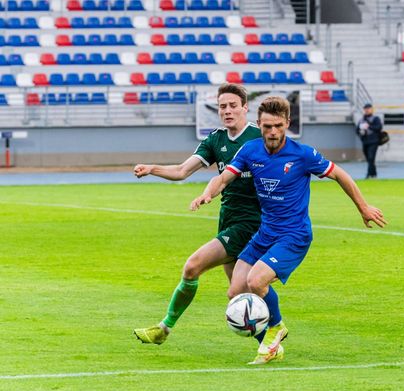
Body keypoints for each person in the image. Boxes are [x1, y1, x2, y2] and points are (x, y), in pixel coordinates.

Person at [191, 96, 387, 364]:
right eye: (267, 126)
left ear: (287, 124)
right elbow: (223, 177)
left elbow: (339, 174)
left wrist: (363, 207)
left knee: (256, 281)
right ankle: (271, 343)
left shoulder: (302, 154)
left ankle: (276, 327)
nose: (273, 132)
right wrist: (208, 194)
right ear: (259, 124)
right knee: (235, 290)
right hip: (265, 233)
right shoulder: (250, 150)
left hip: (294, 235)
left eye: (278, 126)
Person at [133, 83, 264, 345]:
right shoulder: (216, 139)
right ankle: (270, 342)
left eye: (233, 106)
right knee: (239, 295)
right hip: (228, 219)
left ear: (245, 108)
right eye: (222, 106)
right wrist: (152, 169)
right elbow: (182, 171)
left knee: (193, 266)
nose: (227, 111)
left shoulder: (258, 138)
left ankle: (164, 328)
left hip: (250, 223)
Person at [356, 103, 383, 179]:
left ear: (371, 109)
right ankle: (374, 174)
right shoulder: (361, 120)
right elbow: (357, 130)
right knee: (369, 159)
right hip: (365, 141)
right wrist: (361, 132)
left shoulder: (375, 118)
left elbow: (379, 127)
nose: (367, 110)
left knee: (371, 158)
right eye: (365, 109)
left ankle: (368, 175)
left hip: (374, 141)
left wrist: (369, 126)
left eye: (368, 108)